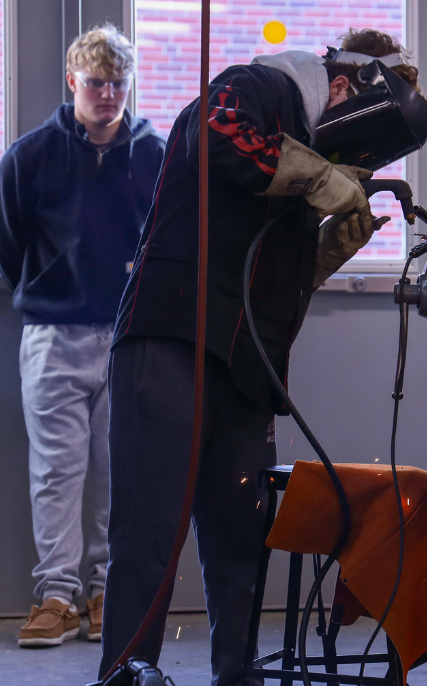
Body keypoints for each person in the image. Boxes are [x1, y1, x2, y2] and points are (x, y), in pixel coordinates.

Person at [98, 28, 427, 685]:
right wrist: (318, 177)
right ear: (342, 86)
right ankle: (125, 674)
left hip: (246, 368)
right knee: (149, 539)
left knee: (240, 543)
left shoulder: (309, 149)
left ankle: (236, 674)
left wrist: (327, 246)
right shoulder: (257, 87)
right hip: (171, 340)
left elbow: (273, 287)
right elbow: (219, 136)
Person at [0, 24, 165, 647]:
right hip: (52, 332)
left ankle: (106, 593)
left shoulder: (153, 154)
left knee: (119, 471)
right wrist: (49, 291)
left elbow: (165, 241)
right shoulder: (30, 155)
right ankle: (56, 598)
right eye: (95, 83)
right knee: (56, 472)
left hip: (129, 335)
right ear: (73, 81)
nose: (107, 94)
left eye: (117, 84)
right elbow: (9, 243)